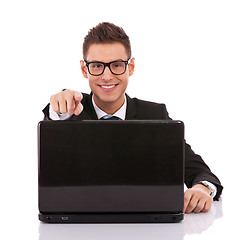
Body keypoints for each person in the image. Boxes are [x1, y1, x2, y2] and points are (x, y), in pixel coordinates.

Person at [43, 22, 223, 214]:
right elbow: (52, 139)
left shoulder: (155, 115)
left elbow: (197, 169)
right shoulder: (69, 111)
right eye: (96, 66)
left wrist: (202, 188)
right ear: (84, 69)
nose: (106, 76)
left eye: (117, 65)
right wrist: (59, 112)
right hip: (77, 226)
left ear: (131, 67)